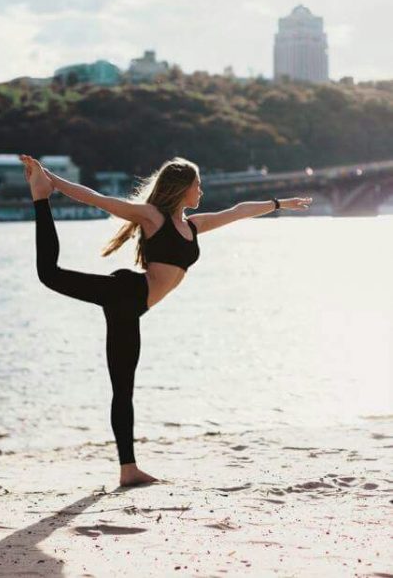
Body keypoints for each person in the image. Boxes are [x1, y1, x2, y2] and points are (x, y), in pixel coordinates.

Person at [19, 153, 312, 486]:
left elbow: (237, 211)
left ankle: (128, 469)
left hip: (133, 306)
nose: (200, 190)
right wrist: (53, 182)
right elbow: (98, 199)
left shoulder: (192, 226)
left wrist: (278, 204)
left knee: (123, 388)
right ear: (182, 187)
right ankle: (40, 197)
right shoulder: (152, 217)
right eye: (197, 184)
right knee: (50, 274)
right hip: (125, 294)